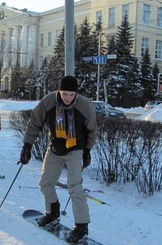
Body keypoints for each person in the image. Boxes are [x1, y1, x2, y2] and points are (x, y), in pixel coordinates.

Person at [19, 75, 97, 243]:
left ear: (76, 93)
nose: (68, 98)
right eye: (64, 94)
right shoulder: (48, 102)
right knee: (45, 183)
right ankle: (52, 213)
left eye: (71, 94)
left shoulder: (85, 105)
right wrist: (27, 145)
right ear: (59, 91)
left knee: (74, 187)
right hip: (55, 147)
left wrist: (87, 151)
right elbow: (34, 123)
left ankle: (81, 226)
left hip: (76, 148)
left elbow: (92, 130)